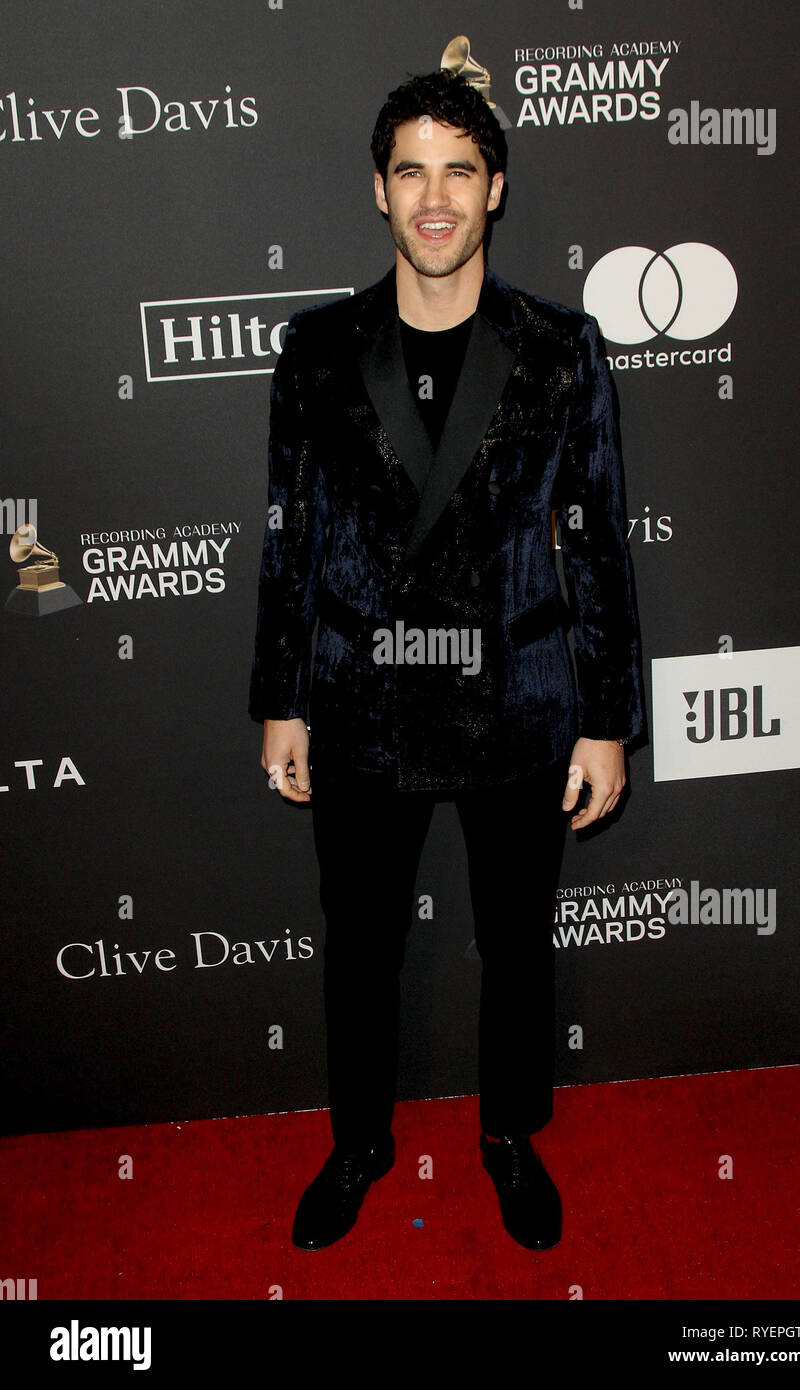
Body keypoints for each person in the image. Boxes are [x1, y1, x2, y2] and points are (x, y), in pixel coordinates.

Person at [249, 70, 645, 1252]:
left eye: (459, 171)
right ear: (379, 191)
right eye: (411, 170)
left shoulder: (563, 349)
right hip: (362, 704)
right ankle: (359, 1139)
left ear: (496, 190)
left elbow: (599, 541)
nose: (435, 197)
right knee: (359, 940)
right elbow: (288, 533)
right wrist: (281, 700)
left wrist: (606, 717)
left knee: (517, 938)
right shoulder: (317, 349)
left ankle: (507, 1133)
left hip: (519, 703)